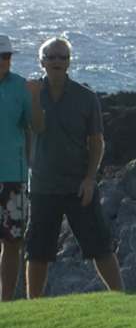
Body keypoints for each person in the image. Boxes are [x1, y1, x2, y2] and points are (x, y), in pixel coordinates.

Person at [24, 37, 123, 298]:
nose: (57, 61)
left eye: (63, 57)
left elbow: (96, 142)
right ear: (42, 61)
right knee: (38, 251)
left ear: (69, 62)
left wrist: (90, 179)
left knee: (100, 246)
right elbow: (28, 131)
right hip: (43, 185)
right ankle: (34, 306)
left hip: (78, 185)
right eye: (52, 57)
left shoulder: (86, 97)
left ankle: (121, 298)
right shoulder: (30, 93)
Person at [0, 35, 44, 301]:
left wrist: (36, 98)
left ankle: (5, 302)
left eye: (6, 56)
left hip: (13, 177)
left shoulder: (21, 87)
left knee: (12, 242)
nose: (3, 61)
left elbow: (37, 126)